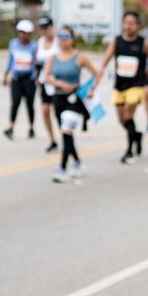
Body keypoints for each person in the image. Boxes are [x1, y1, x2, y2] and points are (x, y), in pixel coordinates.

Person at [98, 11, 148, 164]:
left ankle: (129, 151)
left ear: (138, 26)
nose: (128, 26)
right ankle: (136, 135)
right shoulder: (116, 41)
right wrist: (100, 70)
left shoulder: (144, 43)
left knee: (128, 116)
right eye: (126, 23)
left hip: (136, 85)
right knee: (121, 120)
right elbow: (106, 58)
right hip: (119, 85)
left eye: (132, 23)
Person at [42, 26, 98, 183]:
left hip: (73, 98)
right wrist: (57, 82)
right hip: (58, 98)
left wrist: (91, 89)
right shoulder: (52, 58)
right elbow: (45, 77)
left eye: (66, 36)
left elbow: (96, 74)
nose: (63, 39)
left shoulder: (80, 57)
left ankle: (62, 168)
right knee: (66, 133)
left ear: (72, 39)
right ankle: (78, 162)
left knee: (66, 129)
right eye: (60, 36)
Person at [3, 20, 37, 140]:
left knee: (29, 104)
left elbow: (36, 63)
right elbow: (10, 61)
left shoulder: (33, 46)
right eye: (21, 32)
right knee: (15, 103)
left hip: (29, 79)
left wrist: (37, 78)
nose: (23, 35)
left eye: (25, 33)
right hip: (17, 78)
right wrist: (6, 75)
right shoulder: (13, 44)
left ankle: (31, 127)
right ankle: (11, 127)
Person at [34, 16, 60, 152]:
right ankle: (52, 139)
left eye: (46, 28)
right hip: (45, 81)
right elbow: (37, 62)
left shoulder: (59, 41)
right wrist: (37, 77)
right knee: (45, 110)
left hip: (57, 81)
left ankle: (65, 136)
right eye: (41, 28)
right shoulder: (40, 42)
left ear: (51, 26)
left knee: (59, 112)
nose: (44, 31)